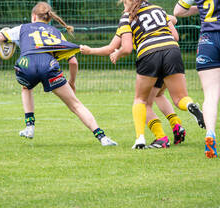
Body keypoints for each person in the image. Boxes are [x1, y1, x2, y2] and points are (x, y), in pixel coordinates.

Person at [0, 1, 117, 146]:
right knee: (75, 105)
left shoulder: (22, 28)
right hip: (48, 65)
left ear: (33, 16)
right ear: (49, 19)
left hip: (27, 65)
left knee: (26, 87)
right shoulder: (56, 33)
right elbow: (73, 62)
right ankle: (102, 137)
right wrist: (72, 82)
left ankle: (29, 127)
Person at [109, 0, 204, 149]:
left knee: (141, 100)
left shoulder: (128, 15)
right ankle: (190, 106)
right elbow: (175, 37)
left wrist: (116, 53)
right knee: (180, 98)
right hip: (171, 50)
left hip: (149, 53)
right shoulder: (159, 9)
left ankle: (141, 139)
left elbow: (127, 47)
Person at [80, 17, 186, 148]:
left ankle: (161, 137)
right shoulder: (153, 12)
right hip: (169, 56)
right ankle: (176, 124)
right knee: (159, 95)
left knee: (143, 102)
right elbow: (174, 19)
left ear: (129, 0)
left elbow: (111, 48)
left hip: (151, 59)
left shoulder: (127, 21)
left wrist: (90, 51)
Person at [174, 0, 220, 158]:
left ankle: (210, 134)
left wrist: (198, 8)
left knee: (210, 94)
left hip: (207, 41)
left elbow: (178, 11)